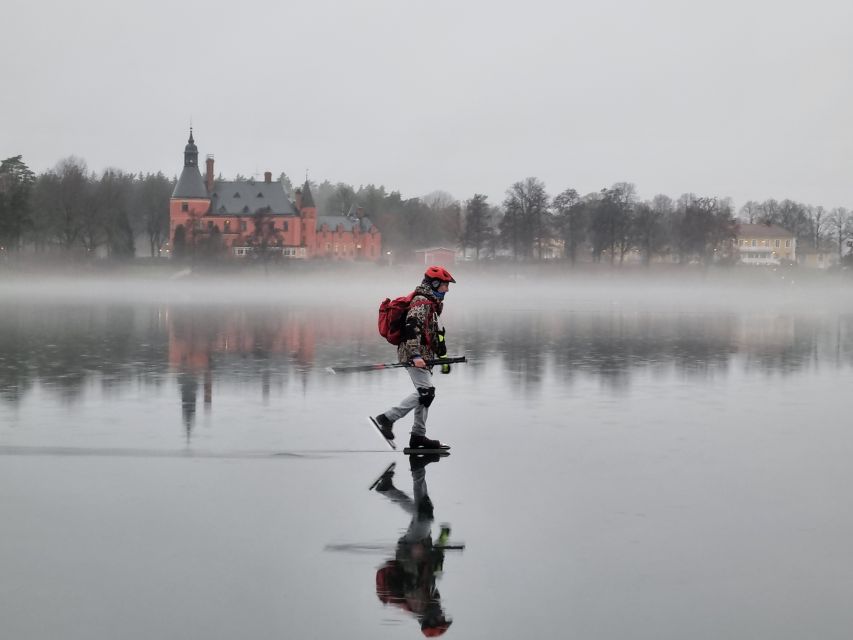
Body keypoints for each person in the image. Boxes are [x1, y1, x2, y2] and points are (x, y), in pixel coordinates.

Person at [373, 266, 455, 450]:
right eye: (445, 285)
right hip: (413, 353)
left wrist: (443, 357)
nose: (447, 290)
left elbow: (434, 334)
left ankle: (418, 437)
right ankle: (387, 418)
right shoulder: (422, 302)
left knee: (425, 395)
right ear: (435, 284)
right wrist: (415, 355)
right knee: (426, 392)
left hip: (423, 355)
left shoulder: (432, 304)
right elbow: (412, 327)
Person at [373, 456, 454, 637]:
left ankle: (417, 468)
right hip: (418, 546)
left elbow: (411, 576)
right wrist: (443, 537)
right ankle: (386, 489)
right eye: (443, 616)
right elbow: (437, 563)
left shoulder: (419, 603)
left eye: (441, 618)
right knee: (421, 512)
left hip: (411, 549)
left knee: (424, 514)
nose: (442, 613)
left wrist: (415, 554)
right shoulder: (431, 598)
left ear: (430, 619)